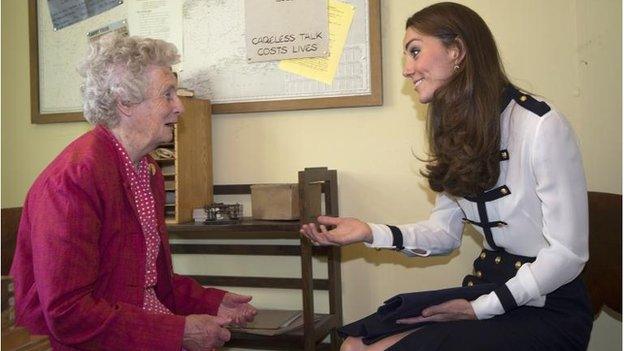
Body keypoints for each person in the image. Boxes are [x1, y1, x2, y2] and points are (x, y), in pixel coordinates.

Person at [300, 2, 592, 350]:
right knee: (355, 343)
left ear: (457, 50)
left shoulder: (541, 125)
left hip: (549, 305)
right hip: (486, 288)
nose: (407, 70)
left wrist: (481, 308)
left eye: (415, 51)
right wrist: (369, 232)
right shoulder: (456, 131)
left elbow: (568, 255)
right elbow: (445, 233)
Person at [10, 35, 256, 351]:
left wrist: (212, 302)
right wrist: (179, 333)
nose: (180, 106)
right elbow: (68, 314)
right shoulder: (73, 181)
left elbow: (144, 279)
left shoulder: (146, 170)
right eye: (167, 94)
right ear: (125, 102)